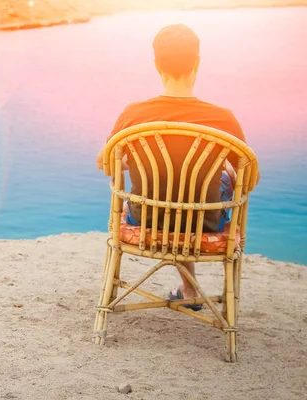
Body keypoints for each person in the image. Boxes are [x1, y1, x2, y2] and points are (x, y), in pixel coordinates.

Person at [96, 24, 253, 310]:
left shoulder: (134, 115)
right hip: (204, 223)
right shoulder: (223, 119)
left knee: (172, 192)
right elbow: (251, 178)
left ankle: (188, 288)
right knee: (209, 186)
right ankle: (190, 289)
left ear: (157, 65)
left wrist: (137, 161)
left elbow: (106, 164)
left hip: (145, 220)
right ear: (198, 62)